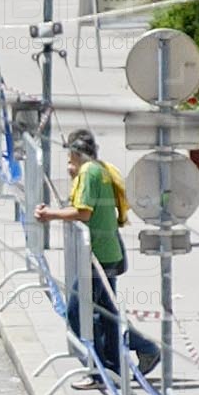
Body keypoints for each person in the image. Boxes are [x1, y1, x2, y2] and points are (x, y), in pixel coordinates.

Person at [36, 129, 157, 380]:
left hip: (98, 256)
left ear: (75, 152)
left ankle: (102, 370)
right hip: (106, 252)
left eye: (69, 156)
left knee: (77, 312)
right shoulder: (98, 169)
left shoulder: (89, 173)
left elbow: (84, 212)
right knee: (106, 313)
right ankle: (117, 365)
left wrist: (49, 215)